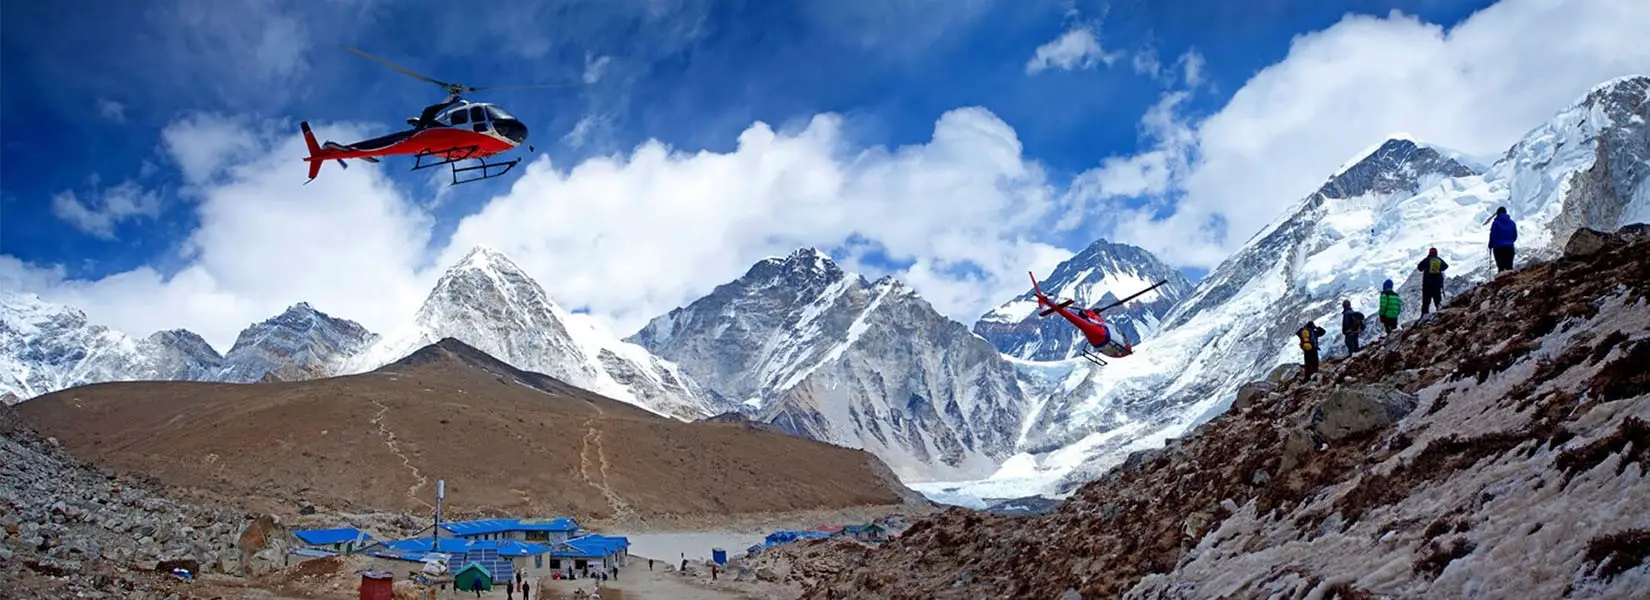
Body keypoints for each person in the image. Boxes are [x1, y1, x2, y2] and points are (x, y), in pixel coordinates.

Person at [1416, 248, 1448, 315]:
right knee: (1438, 301)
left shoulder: (1427, 260)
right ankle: (1440, 315)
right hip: (1437, 285)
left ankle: (1424, 317)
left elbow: (1419, 267)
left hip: (1427, 285)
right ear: (1436, 253)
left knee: (1426, 302)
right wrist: (1439, 268)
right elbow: (1446, 266)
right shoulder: (1439, 260)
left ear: (1429, 253)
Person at [1488, 207, 1518, 272]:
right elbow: (1515, 236)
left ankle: (1502, 281)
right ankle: (1511, 281)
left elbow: (1492, 235)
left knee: (1501, 268)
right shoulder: (1512, 223)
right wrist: (1510, 242)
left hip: (1498, 248)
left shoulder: (1495, 223)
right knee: (1509, 267)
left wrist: (1490, 245)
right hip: (1509, 247)